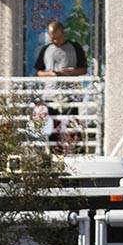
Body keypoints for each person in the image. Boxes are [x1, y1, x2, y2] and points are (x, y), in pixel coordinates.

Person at [32, 20, 89, 151]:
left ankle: (76, 152)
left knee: (72, 126)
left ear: (63, 33)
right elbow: (39, 72)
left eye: (57, 38)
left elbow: (84, 69)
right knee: (52, 127)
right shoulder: (46, 49)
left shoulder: (75, 47)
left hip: (70, 96)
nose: (55, 41)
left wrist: (71, 72)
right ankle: (53, 153)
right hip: (50, 96)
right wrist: (50, 74)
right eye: (52, 38)